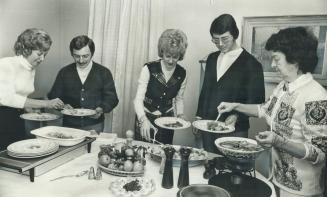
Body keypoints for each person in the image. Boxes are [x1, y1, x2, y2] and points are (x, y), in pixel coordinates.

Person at [218, 27, 327, 197]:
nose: (273, 65)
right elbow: (264, 110)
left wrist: (278, 141)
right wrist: (235, 106)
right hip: (275, 178)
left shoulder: (315, 98)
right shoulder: (283, 87)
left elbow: (319, 153)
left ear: (295, 60)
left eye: (276, 59)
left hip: (302, 190)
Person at [195, 14, 265, 153]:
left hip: (235, 131)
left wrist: (237, 116)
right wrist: (198, 117)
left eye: (224, 39)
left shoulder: (251, 64)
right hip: (208, 125)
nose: (220, 44)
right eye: (215, 40)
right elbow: (205, 90)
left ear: (234, 35)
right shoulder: (212, 58)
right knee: (208, 167)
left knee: (231, 172)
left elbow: (257, 102)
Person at [0, 28, 64, 150]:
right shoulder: (6, 64)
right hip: (2, 119)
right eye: (39, 54)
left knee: (18, 155)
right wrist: (46, 103)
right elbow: (6, 98)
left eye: (45, 54)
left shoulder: (30, 67)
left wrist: (30, 109)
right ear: (26, 49)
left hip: (16, 117)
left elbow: (20, 97)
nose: (42, 59)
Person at [48, 35, 119, 133]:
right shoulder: (64, 72)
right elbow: (54, 96)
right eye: (77, 56)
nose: (81, 60)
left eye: (85, 56)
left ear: (92, 53)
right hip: (69, 126)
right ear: (72, 54)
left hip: (94, 125)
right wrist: (63, 106)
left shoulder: (103, 72)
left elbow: (112, 98)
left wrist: (101, 109)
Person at [134, 29, 188, 144]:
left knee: (164, 154)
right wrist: (143, 120)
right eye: (168, 56)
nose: (171, 61)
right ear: (162, 52)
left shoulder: (182, 73)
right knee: (142, 154)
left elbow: (179, 98)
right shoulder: (149, 69)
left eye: (175, 57)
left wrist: (180, 114)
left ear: (180, 55)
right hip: (145, 116)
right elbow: (138, 99)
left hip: (167, 120)